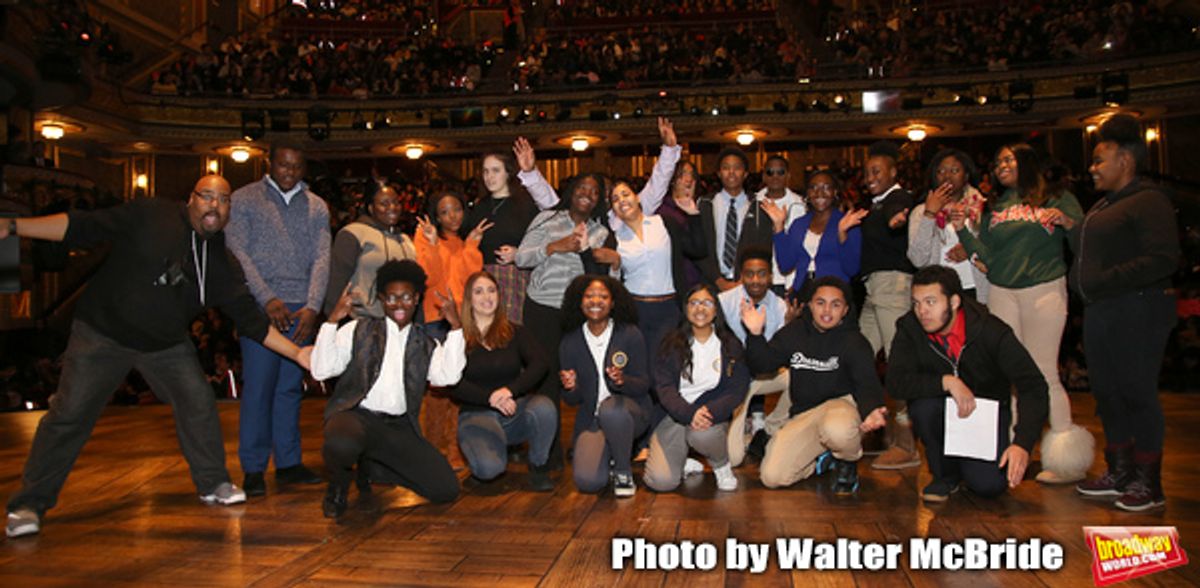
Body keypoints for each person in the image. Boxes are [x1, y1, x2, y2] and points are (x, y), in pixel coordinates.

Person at [3, 175, 311, 539]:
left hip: (164, 344)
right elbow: (82, 226)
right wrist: (12, 226)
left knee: (197, 401)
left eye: (223, 200)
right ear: (191, 199)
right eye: (207, 196)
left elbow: (253, 323)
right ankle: (28, 504)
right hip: (101, 334)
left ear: (229, 210)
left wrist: (298, 354)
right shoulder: (150, 214)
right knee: (69, 415)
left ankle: (213, 483)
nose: (214, 204)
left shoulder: (222, 263)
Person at [953, 143, 1093, 484]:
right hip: (1002, 290)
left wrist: (1068, 222)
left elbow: (1085, 239)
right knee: (1011, 374)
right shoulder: (997, 207)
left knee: (1043, 370)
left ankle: (1065, 462)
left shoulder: (1056, 196)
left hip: (1044, 288)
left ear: (1028, 162)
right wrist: (961, 230)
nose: (1000, 164)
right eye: (998, 160)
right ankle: (1020, 450)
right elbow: (986, 257)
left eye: (1008, 159)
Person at [1072, 114, 1181, 511]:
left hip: (1138, 307)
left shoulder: (1149, 200)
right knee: (1108, 394)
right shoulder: (1105, 205)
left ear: (1125, 161)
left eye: (1100, 160)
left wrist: (1104, 280)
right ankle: (1119, 471)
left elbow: (1163, 258)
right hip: (1103, 310)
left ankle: (1148, 483)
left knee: (1137, 393)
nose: (1093, 168)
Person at [311, 260, 466, 518]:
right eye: (391, 297)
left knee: (445, 489)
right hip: (355, 416)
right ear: (382, 299)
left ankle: (371, 466)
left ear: (416, 298)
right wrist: (331, 322)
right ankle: (338, 486)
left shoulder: (425, 343)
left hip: (397, 427)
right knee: (341, 443)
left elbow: (448, 376)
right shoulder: (358, 330)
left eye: (406, 297)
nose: (399, 304)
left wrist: (456, 328)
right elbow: (321, 370)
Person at [888, 266, 1048, 502]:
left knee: (988, 486)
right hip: (940, 409)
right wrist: (946, 381)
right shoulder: (909, 328)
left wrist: (1022, 443)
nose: (922, 311)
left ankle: (971, 466)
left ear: (953, 302)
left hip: (985, 413)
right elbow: (895, 382)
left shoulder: (991, 331)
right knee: (923, 408)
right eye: (916, 302)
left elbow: (1034, 386)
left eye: (931, 302)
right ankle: (945, 475)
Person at [226, 140, 331, 497]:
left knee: (289, 389)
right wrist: (266, 297)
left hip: (300, 310)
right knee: (258, 388)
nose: (289, 172)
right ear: (269, 163)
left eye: (296, 167)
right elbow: (237, 252)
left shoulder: (316, 206)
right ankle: (253, 469)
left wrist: (313, 306)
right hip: (263, 310)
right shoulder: (243, 200)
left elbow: (322, 258)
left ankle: (288, 463)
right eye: (283, 165)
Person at [743, 277, 887, 495]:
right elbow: (762, 364)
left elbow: (865, 381)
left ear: (846, 310)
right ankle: (822, 459)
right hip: (804, 414)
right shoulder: (795, 333)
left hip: (839, 408)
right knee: (772, 477)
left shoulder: (854, 341)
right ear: (810, 305)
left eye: (835, 304)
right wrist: (755, 335)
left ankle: (846, 461)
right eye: (820, 302)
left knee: (838, 429)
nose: (827, 310)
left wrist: (872, 409)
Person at [447, 271, 556, 491]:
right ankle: (483, 465)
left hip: (513, 413)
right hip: (477, 414)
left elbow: (541, 363)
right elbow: (452, 382)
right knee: (489, 470)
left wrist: (509, 390)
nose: (486, 297)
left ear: (499, 295)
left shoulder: (515, 331)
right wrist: (489, 398)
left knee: (544, 407)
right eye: (478, 291)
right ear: (469, 298)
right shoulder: (458, 336)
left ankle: (538, 466)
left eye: (491, 290)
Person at [644, 284, 750, 492]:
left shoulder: (730, 344)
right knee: (661, 482)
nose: (700, 308)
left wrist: (708, 412)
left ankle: (721, 466)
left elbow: (737, 388)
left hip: (710, 417)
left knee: (702, 434)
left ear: (716, 309)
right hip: (674, 415)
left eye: (707, 303)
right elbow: (664, 387)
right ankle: (682, 462)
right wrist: (690, 413)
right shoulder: (670, 344)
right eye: (694, 303)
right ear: (685, 309)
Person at [856, 141, 920, 471]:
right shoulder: (875, 204)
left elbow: (900, 217)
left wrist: (897, 218)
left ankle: (907, 444)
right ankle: (876, 432)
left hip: (893, 286)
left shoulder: (898, 199)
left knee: (898, 365)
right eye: (867, 172)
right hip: (874, 288)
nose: (870, 177)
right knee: (859, 356)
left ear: (893, 172)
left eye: (877, 171)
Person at [558, 275, 652, 497]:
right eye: (589, 296)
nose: (596, 301)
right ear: (579, 302)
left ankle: (623, 471)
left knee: (612, 408)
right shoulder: (569, 342)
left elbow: (643, 385)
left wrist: (622, 381)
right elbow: (571, 400)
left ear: (613, 302)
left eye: (603, 296)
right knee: (588, 481)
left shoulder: (629, 334)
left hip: (630, 413)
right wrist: (571, 387)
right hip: (593, 419)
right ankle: (612, 451)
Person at [608, 179, 705, 367]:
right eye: (615, 199)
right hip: (635, 311)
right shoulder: (614, 239)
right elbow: (612, 281)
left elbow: (699, 250)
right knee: (641, 367)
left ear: (637, 198)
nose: (622, 200)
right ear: (613, 210)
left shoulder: (664, 223)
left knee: (667, 366)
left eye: (625, 194)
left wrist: (693, 214)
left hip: (669, 309)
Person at [718, 245, 795, 466]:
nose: (755, 280)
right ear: (741, 276)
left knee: (800, 376)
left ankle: (768, 429)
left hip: (764, 375)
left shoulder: (780, 307)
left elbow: (778, 354)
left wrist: (789, 327)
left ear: (770, 277)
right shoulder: (724, 302)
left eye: (761, 274)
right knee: (733, 459)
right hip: (736, 377)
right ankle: (738, 428)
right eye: (749, 274)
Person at [463, 152, 539, 324]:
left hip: (515, 279)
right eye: (485, 171)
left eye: (495, 170)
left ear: (508, 173)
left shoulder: (525, 204)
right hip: (482, 280)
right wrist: (472, 240)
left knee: (511, 333)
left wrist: (518, 253)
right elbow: (467, 249)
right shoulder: (479, 207)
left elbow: (542, 245)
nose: (489, 177)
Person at [324, 181, 418, 319]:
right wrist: (333, 321)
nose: (392, 207)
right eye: (384, 204)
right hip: (360, 321)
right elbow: (336, 282)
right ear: (371, 208)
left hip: (398, 324)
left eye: (396, 202)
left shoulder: (405, 240)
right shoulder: (353, 233)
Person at [766, 170, 865, 299]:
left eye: (826, 187)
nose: (819, 193)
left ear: (835, 192)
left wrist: (842, 234)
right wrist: (779, 227)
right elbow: (785, 265)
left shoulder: (847, 222)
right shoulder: (799, 224)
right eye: (813, 188)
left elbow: (852, 269)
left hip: (834, 296)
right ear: (807, 193)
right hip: (802, 293)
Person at [907, 148, 989, 302]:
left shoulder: (982, 208)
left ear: (966, 176)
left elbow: (995, 250)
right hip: (938, 293)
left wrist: (971, 249)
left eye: (954, 170)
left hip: (976, 289)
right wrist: (930, 215)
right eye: (941, 171)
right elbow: (918, 259)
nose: (947, 176)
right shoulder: (920, 212)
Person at [414, 190, 487, 340]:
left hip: (464, 317)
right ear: (438, 218)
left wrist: (472, 245)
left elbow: (469, 282)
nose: (453, 216)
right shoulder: (426, 236)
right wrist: (433, 243)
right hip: (436, 318)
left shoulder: (463, 244)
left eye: (457, 210)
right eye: (444, 212)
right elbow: (428, 279)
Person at [698, 147, 775, 291]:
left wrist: (744, 280)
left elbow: (764, 248)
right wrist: (719, 281)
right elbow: (699, 250)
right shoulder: (704, 205)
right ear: (719, 173)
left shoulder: (759, 207)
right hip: (711, 284)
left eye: (737, 168)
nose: (731, 173)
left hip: (748, 284)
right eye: (726, 168)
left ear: (745, 174)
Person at [755, 155, 807, 295]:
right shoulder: (752, 203)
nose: (775, 176)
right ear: (764, 176)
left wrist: (797, 282)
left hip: (789, 281)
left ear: (788, 175)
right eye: (770, 172)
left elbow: (804, 248)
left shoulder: (800, 205)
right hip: (758, 279)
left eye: (781, 172)